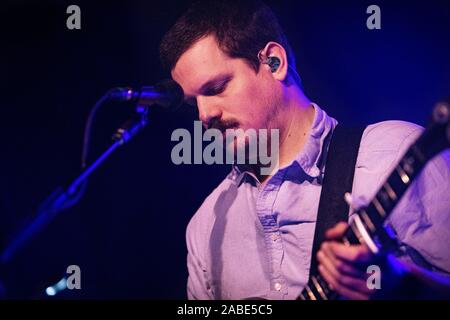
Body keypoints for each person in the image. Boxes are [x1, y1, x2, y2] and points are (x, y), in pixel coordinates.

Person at [159, 0, 450, 299]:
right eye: (194, 104)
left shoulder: (394, 152)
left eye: (216, 88)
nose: (204, 115)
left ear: (274, 62)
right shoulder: (205, 226)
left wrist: (404, 285)